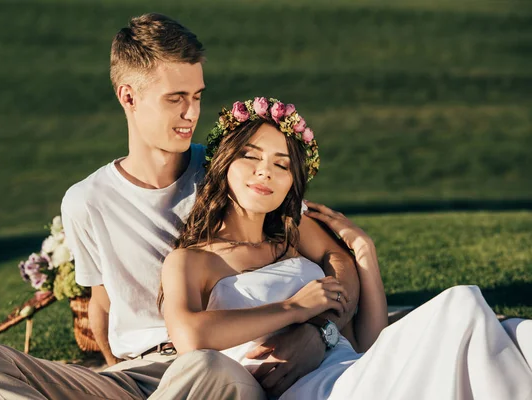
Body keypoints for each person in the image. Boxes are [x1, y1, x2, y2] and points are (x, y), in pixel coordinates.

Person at [0, 14, 363, 399]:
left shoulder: (229, 169)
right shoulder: (85, 201)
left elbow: (332, 256)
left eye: (197, 96)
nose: (191, 113)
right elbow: (102, 304)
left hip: (220, 364)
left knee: (202, 367)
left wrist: (319, 331)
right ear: (129, 96)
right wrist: (111, 368)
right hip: (134, 375)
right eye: (175, 98)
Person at [160, 97, 532, 399]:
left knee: (521, 336)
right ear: (224, 163)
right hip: (309, 390)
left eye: (282, 164)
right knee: (461, 304)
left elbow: (366, 338)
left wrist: (364, 249)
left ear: (293, 182)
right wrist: (294, 308)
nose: (265, 172)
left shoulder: (292, 238)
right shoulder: (192, 260)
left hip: (353, 369)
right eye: (251, 156)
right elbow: (191, 335)